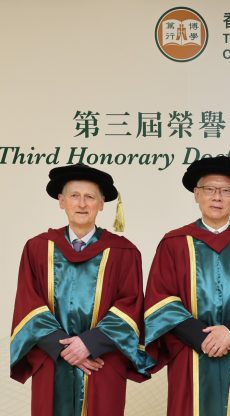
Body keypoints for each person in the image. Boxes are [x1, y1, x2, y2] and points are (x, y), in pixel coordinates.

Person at [144, 156, 230, 416]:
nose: (217, 197)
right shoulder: (174, 242)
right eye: (209, 189)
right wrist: (203, 337)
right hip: (189, 351)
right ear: (196, 194)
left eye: (226, 191)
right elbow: (160, 298)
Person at [10, 163, 150, 416]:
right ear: (61, 201)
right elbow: (28, 302)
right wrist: (65, 348)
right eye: (74, 196)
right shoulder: (37, 248)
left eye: (90, 197)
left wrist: (90, 343)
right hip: (52, 357)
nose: (82, 204)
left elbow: (130, 304)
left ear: (102, 204)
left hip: (102, 360)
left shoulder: (124, 252)